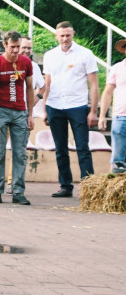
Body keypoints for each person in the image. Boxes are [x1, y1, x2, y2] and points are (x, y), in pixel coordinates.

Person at [43, 21, 99, 198]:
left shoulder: (85, 54)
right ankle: (65, 185)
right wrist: (45, 108)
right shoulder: (50, 55)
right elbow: (47, 83)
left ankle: (89, 187)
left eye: (68, 35)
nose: (65, 38)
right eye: (62, 35)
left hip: (78, 105)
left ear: (73, 33)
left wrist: (93, 111)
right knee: (60, 149)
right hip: (55, 105)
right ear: (56, 36)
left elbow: (94, 84)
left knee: (83, 147)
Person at [0, 30, 34, 205]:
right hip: (0, 111)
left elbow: (30, 88)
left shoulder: (26, 62)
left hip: (20, 112)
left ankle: (18, 191)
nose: (15, 50)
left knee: (20, 154)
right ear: (4, 45)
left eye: (18, 47)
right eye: (12, 47)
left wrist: (30, 115)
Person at [99, 38, 126, 174]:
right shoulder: (116, 68)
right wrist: (102, 116)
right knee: (117, 158)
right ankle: (113, 191)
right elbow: (107, 92)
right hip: (121, 116)